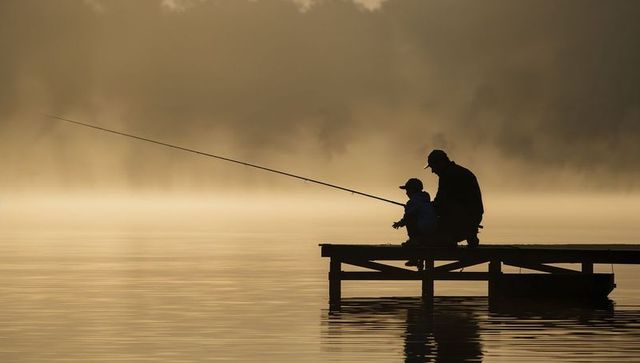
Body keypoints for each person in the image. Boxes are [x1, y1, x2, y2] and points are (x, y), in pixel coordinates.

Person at [425, 149, 484, 247]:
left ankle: (451, 237)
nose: (432, 171)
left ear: (441, 163)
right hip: (474, 217)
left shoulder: (448, 176)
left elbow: (441, 202)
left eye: (433, 167)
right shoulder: (459, 171)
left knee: (428, 237)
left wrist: (426, 208)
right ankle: (468, 234)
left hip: (462, 219)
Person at [392, 178, 437, 269]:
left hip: (422, 229)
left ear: (413, 190)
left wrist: (399, 223)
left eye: (407, 190)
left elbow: (408, 217)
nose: (406, 193)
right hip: (432, 229)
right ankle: (418, 259)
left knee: (410, 221)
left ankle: (414, 242)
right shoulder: (425, 200)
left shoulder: (412, 202)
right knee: (413, 220)